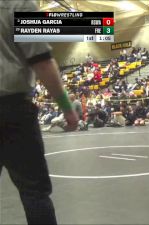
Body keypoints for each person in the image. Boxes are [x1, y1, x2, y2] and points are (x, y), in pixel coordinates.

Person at [0, 1, 79, 224]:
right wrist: (67, 109)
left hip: (11, 110)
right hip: (11, 111)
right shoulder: (20, 4)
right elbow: (42, 63)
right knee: (34, 191)